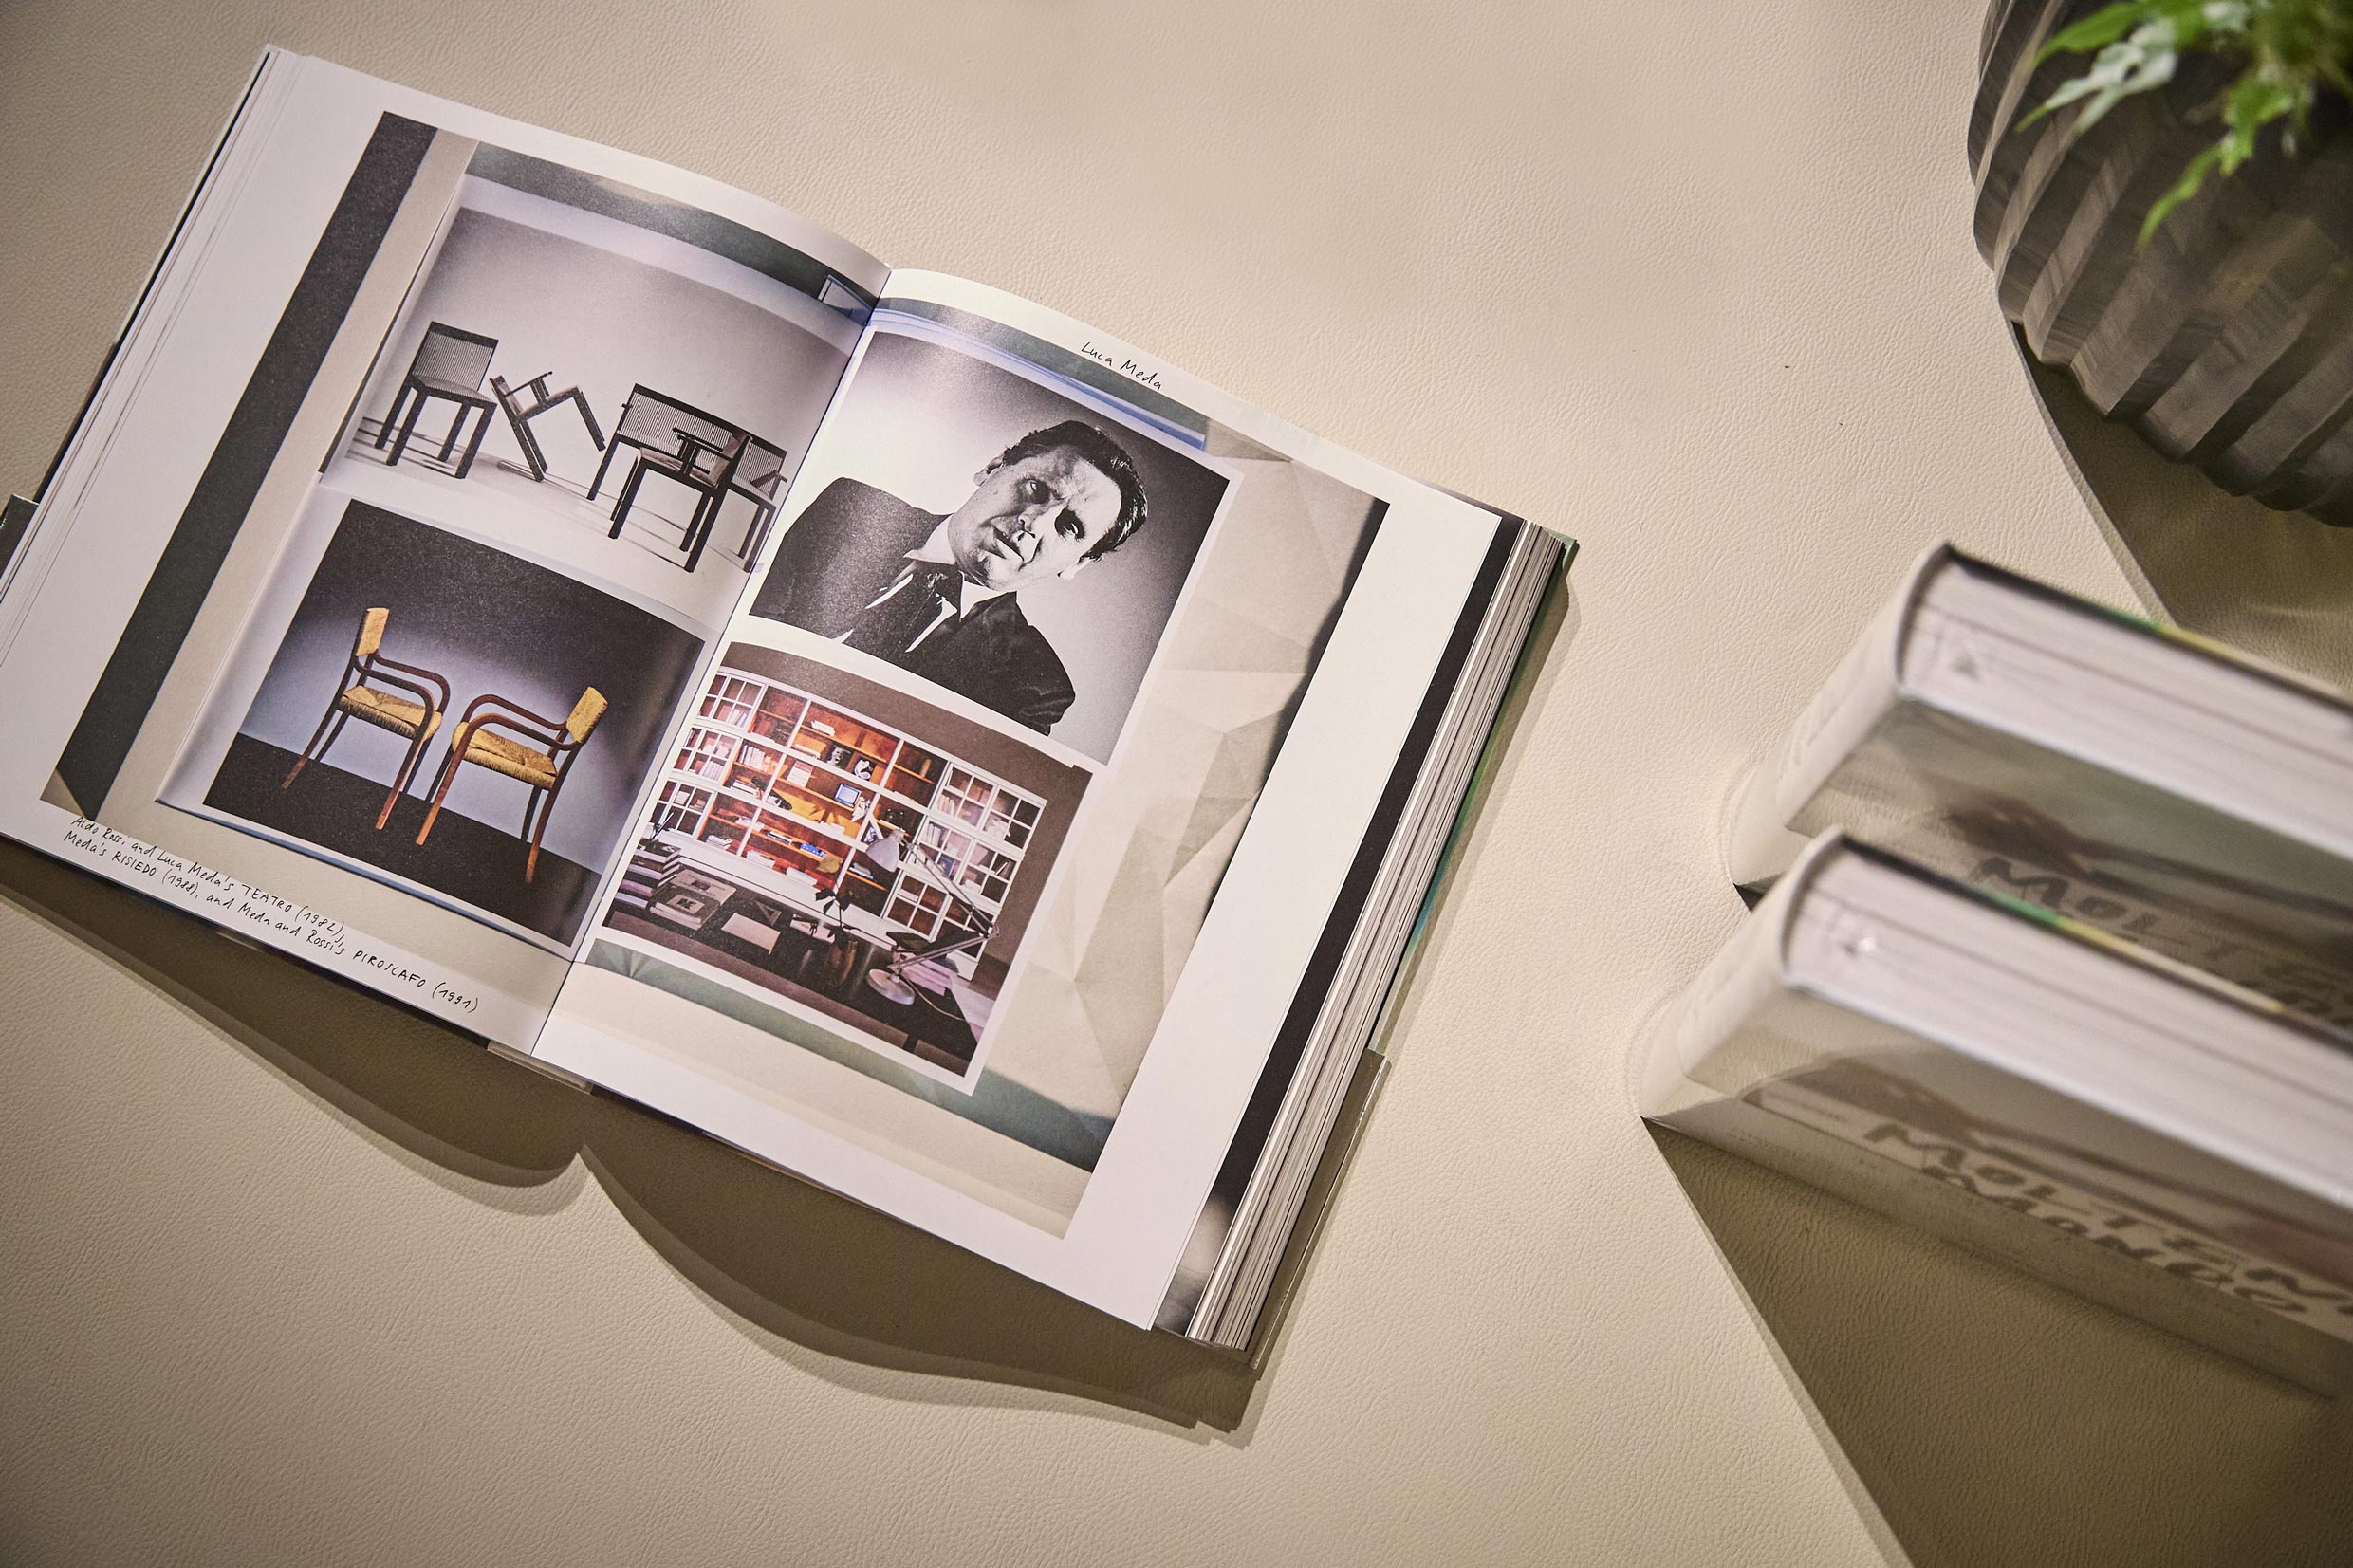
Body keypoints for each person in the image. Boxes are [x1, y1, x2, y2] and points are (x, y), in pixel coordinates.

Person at [748, 420, 1148, 733]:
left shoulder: (1035, 686)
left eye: (1069, 528)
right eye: (1036, 489)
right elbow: (753, 622)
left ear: (1077, 564)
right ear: (992, 469)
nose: (1033, 522)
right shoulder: (852, 509)